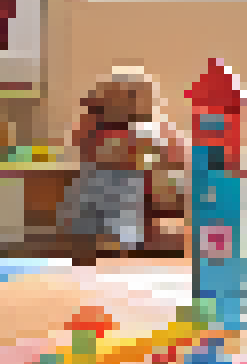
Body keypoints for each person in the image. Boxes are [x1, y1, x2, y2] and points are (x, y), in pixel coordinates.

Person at [57, 67, 176, 263]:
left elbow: (163, 154)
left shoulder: (143, 130)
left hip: (123, 188)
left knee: (122, 225)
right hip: (96, 184)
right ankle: (93, 248)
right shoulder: (94, 121)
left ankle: (119, 248)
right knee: (85, 223)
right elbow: (81, 143)